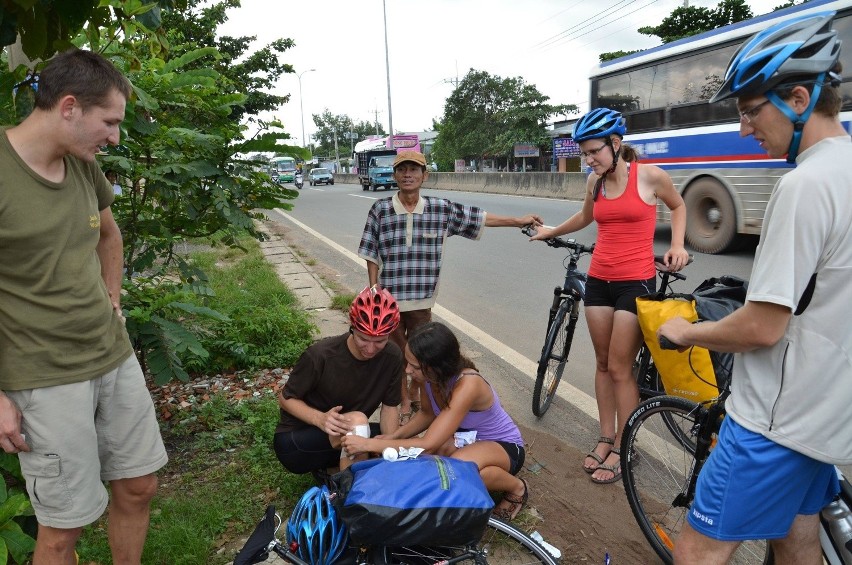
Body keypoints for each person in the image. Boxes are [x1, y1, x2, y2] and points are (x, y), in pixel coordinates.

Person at [658, 12, 851, 564]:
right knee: (797, 533)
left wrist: (686, 331)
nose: (745, 128)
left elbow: (763, 326)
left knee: (696, 552)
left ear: (797, 96)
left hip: (773, 421)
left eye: (749, 111)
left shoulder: (805, 185)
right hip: (827, 411)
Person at [0, 48, 168, 564]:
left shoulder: (81, 165)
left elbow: (108, 235)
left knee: (139, 485)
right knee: (63, 528)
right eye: (110, 121)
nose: (115, 136)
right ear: (69, 107)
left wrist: (113, 300)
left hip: (110, 355)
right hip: (43, 375)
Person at [530, 107, 689, 484]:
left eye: (594, 152)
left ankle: (624, 444)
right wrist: (551, 230)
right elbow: (586, 218)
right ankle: (605, 437)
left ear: (616, 144)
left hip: (637, 281)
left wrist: (678, 245)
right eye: (584, 153)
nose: (588, 159)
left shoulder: (650, 177)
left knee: (621, 367)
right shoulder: (594, 182)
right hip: (600, 279)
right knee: (603, 364)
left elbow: (679, 206)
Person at [358, 150, 543, 423]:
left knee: (421, 355)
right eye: (402, 170)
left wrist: (518, 221)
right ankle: (403, 399)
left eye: (414, 169)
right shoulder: (381, 209)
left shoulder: (440, 209)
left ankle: (420, 398)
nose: (408, 174)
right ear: (395, 175)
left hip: (422, 299)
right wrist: (374, 291)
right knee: (396, 353)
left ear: (424, 175)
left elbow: (478, 218)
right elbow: (371, 252)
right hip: (389, 299)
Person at [341, 321, 529, 521]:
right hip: (464, 440)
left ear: (438, 366)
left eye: (414, 366)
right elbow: (427, 414)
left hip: (505, 447)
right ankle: (481, 477)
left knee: (454, 473)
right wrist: (393, 436)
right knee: (432, 466)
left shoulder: (469, 384)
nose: (407, 371)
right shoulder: (429, 378)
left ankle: (518, 488)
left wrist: (370, 443)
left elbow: (427, 442)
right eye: (408, 362)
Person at [273, 287, 405, 479]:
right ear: (352, 327)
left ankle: (334, 470)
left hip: (342, 435)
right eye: (363, 339)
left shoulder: (392, 356)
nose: (370, 349)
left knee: (402, 440)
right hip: (297, 440)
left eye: (380, 341)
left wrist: (390, 447)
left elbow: (390, 407)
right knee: (359, 423)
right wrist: (320, 419)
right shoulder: (320, 355)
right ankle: (352, 498)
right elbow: (285, 398)